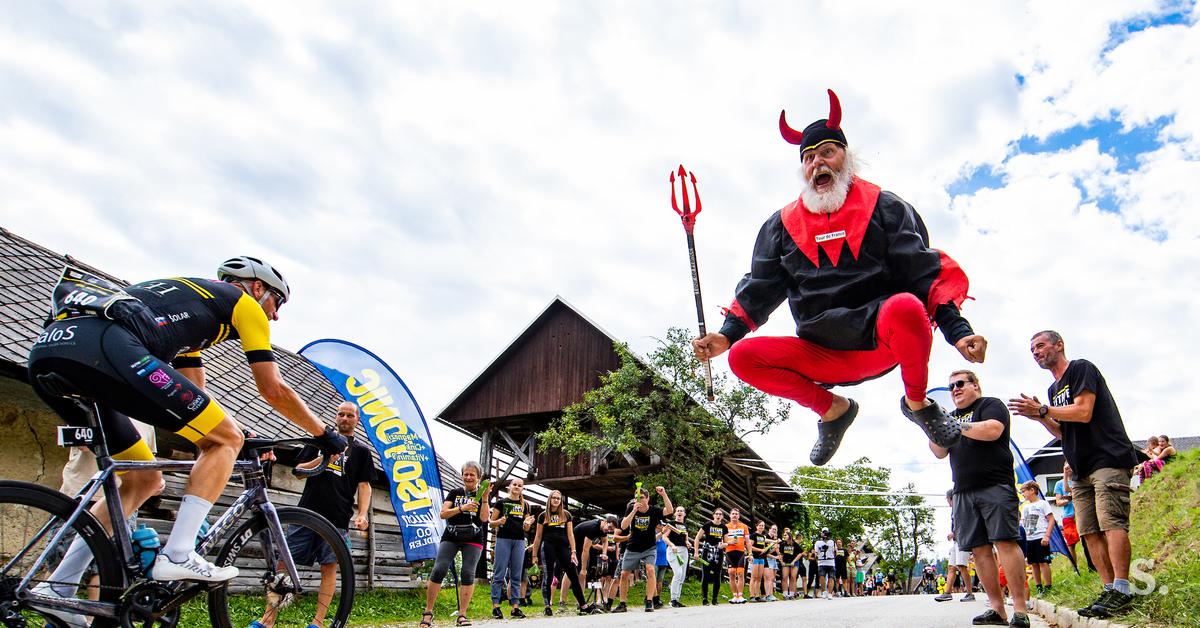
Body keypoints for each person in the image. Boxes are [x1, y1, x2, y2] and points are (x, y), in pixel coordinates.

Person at [27, 259, 346, 626]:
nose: (275, 317)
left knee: (146, 481)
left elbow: (194, 397)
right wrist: (323, 433)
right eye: (278, 303)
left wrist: (231, 439)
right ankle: (178, 554)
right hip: (107, 347)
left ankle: (59, 589)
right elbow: (272, 388)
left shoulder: (189, 312)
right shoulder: (242, 304)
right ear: (257, 288)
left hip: (54, 351)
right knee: (225, 438)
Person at [691, 89, 986, 467]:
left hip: (881, 339)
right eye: (809, 158)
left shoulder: (886, 206)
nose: (818, 164)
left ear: (846, 159)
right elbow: (761, 288)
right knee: (744, 358)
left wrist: (959, 331)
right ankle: (833, 410)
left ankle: (917, 404)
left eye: (827, 153)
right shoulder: (780, 226)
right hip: (821, 352)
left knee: (907, 307)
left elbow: (923, 273)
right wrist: (725, 336)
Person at [1010, 331, 1140, 619]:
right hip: (1080, 468)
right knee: (1089, 531)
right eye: (1032, 349)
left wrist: (1044, 409)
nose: (1035, 352)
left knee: (1111, 522)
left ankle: (1123, 589)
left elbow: (1083, 412)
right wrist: (1042, 416)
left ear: (1059, 345)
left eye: (1040, 345)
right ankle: (1109, 590)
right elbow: (1061, 431)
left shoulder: (1081, 368)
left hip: (1107, 457)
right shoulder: (1052, 389)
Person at [250, 401, 372, 628]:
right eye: (340, 414)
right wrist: (324, 459)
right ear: (336, 417)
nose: (344, 418)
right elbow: (298, 472)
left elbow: (365, 485)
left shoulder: (362, 452)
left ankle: (317, 623)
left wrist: (362, 513)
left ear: (357, 420)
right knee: (284, 564)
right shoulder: (319, 443)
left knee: (330, 567)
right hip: (305, 514)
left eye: (349, 415)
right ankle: (267, 621)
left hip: (337, 519)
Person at [930, 369, 1029, 626]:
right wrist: (930, 422)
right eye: (951, 386)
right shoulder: (949, 417)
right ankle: (997, 609)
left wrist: (955, 426)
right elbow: (939, 451)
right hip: (962, 490)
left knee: (1005, 542)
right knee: (979, 550)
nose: (955, 389)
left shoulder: (990, 405)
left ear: (976, 385)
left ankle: (1020, 609)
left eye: (960, 383)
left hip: (995, 484)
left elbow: (993, 430)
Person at [422, 461, 492, 627]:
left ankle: (462, 615)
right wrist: (462, 508)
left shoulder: (482, 495)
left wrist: (485, 499)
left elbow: (483, 519)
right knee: (439, 569)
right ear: (462, 476)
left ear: (478, 478)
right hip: (452, 534)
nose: (468, 477)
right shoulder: (454, 493)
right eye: (465, 474)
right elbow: (443, 513)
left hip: (474, 537)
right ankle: (428, 612)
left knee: (468, 573)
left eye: (472, 475)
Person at [530, 490, 603, 616]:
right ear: (550, 499)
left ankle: (583, 605)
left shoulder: (566, 515)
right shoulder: (543, 516)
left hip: (564, 547)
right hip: (548, 546)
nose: (556, 500)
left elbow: (570, 534)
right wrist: (534, 555)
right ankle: (547, 606)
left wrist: (573, 551)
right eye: (554, 498)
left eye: (558, 498)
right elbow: (538, 536)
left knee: (573, 574)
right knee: (549, 576)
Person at [613, 485, 674, 613]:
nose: (639, 500)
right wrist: (634, 511)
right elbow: (623, 526)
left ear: (647, 499)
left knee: (650, 570)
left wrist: (664, 494)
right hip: (633, 547)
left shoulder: (654, 511)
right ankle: (622, 603)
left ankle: (649, 601)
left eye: (641, 497)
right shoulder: (631, 508)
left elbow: (669, 510)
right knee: (624, 574)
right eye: (636, 497)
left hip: (649, 547)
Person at [490, 478, 532, 619]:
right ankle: (496, 606)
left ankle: (515, 607)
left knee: (516, 574)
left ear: (522, 489)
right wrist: (499, 521)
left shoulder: (524, 504)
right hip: (503, 539)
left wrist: (527, 524)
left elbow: (526, 526)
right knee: (499, 573)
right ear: (509, 486)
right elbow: (490, 523)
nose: (517, 487)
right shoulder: (501, 503)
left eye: (520, 486)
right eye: (515, 484)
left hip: (519, 541)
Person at [936, 490, 975, 603]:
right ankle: (947, 592)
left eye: (947, 499)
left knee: (962, 566)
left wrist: (954, 533)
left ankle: (969, 593)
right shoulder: (954, 510)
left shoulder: (961, 508)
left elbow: (964, 524)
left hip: (963, 540)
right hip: (956, 541)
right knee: (951, 567)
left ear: (951, 498)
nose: (947, 502)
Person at [1019, 481, 1055, 597]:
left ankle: (1048, 586)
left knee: (1043, 562)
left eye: (1024, 491)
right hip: (1030, 538)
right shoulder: (1025, 507)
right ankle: (1038, 587)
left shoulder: (1043, 503)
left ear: (1032, 490)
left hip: (1041, 537)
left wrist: (1047, 536)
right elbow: (1024, 523)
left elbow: (1051, 519)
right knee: (1033, 563)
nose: (1023, 494)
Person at [573, 513, 618, 600]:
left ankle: (581, 601)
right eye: (609, 528)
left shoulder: (602, 529)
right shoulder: (593, 528)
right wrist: (583, 568)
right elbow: (585, 549)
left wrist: (604, 554)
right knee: (576, 573)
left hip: (582, 548)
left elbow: (605, 541)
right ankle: (563, 601)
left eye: (611, 530)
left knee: (582, 575)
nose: (609, 531)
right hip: (575, 546)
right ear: (605, 522)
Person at [693, 508, 727, 606]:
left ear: (722, 517)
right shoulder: (707, 525)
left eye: (720, 514)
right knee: (706, 575)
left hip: (718, 553)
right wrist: (696, 552)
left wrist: (724, 545)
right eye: (716, 513)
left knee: (717, 576)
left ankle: (715, 599)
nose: (718, 515)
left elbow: (726, 542)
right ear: (713, 515)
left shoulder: (724, 527)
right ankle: (705, 599)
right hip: (707, 552)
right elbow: (697, 538)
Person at [1053, 462, 1081, 568]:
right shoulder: (1059, 484)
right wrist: (1067, 500)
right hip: (1068, 516)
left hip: (1081, 513)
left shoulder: (1079, 480)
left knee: (1086, 540)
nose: (1068, 468)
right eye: (1066, 466)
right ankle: (1075, 567)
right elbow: (1058, 502)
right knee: (1071, 543)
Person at [723, 507, 750, 603]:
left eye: (736, 514)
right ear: (730, 515)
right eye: (733, 514)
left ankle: (740, 596)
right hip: (729, 552)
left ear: (739, 516)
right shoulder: (725, 527)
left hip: (740, 552)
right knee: (731, 573)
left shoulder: (744, 527)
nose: (734, 515)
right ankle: (735, 596)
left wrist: (750, 553)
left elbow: (748, 541)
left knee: (741, 573)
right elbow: (724, 541)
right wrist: (730, 542)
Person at [747, 519, 769, 602]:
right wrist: (760, 550)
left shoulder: (763, 537)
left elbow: (763, 548)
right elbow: (750, 546)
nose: (761, 527)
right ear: (757, 526)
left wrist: (765, 550)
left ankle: (757, 596)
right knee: (753, 577)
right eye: (760, 525)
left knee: (759, 578)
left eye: (763, 526)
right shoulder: (753, 535)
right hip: (755, 558)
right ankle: (751, 596)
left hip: (761, 559)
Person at [814, 528, 837, 600]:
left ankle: (830, 593)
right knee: (821, 576)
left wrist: (833, 557)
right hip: (821, 562)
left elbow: (835, 551)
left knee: (831, 577)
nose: (824, 534)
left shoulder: (832, 541)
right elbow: (816, 552)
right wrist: (816, 556)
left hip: (830, 562)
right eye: (823, 533)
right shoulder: (818, 542)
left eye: (826, 533)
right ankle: (824, 591)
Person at [779, 528, 800, 600]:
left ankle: (791, 594)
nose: (784, 536)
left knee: (793, 577)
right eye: (783, 535)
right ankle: (785, 594)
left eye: (785, 535)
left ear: (789, 536)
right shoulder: (782, 544)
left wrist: (794, 561)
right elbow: (781, 554)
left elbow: (800, 553)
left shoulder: (795, 544)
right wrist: (781, 562)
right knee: (784, 577)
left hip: (794, 562)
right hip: (786, 562)